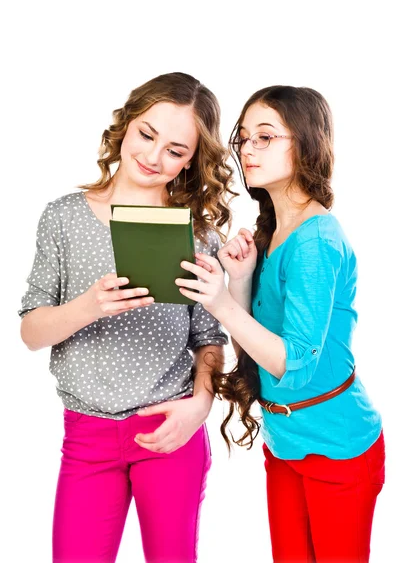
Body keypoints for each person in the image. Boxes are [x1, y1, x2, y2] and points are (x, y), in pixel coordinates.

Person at [19, 72, 235, 563]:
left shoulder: (195, 233)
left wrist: (200, 405)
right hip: (86, 437)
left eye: (177, 151)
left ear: (191, 160)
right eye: (147, 134)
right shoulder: (65, 217)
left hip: (169, 430)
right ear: (126, 125)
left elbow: (209, 335)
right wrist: (86, 308)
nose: (155, 158)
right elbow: (31, 330)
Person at [175, 85, 385, 562]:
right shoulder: (273, 229)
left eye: (265, 137)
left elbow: (296, 364)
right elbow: (255, 348)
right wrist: (243, 280)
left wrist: (221, 303)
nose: (247, 148)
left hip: (338, 447)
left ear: (307, 142)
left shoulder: (315, 242)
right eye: (244, 137)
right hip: (286, 442)